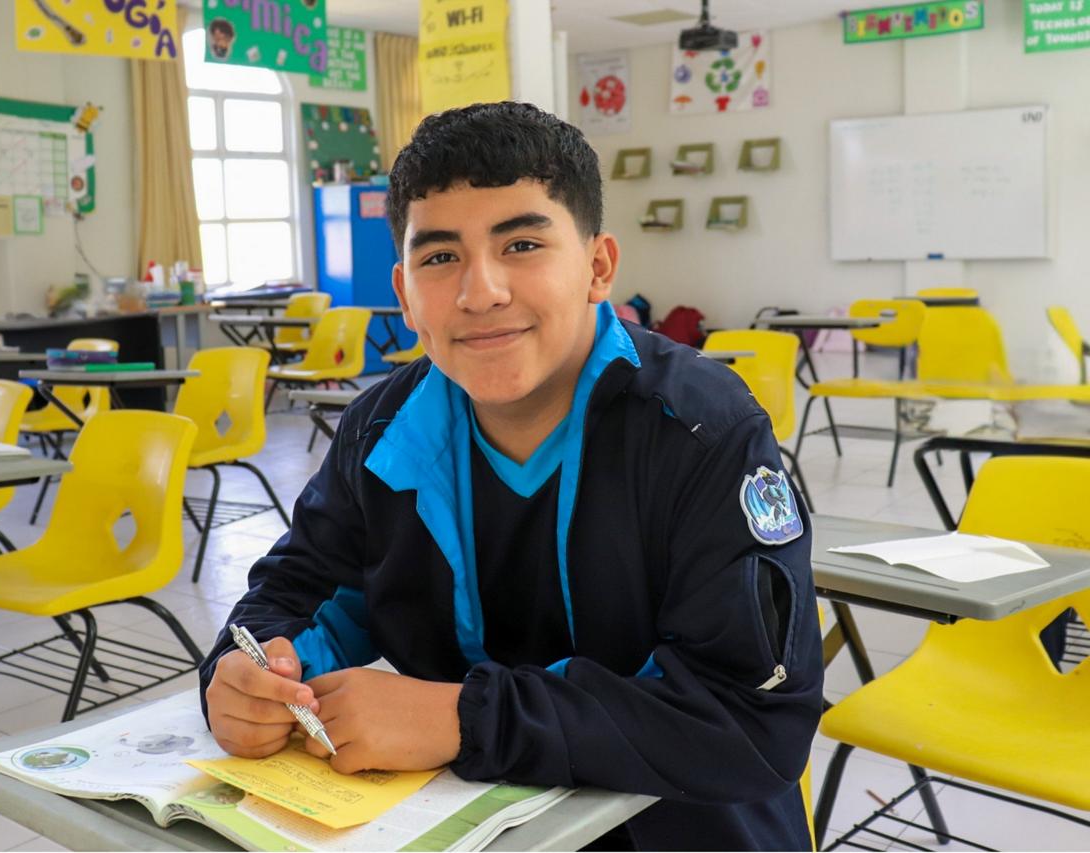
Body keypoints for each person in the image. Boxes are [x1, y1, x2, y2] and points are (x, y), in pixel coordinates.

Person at [200, 101, 823, 850]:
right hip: (470, 826)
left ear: (598, 267)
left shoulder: (700, 431)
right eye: (440, 258)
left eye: (522, 244)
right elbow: (298, 591)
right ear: (404, 293)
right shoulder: (381, 433)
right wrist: (250, 672)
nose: (481, 291)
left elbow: (750, 721)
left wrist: (463, 718)